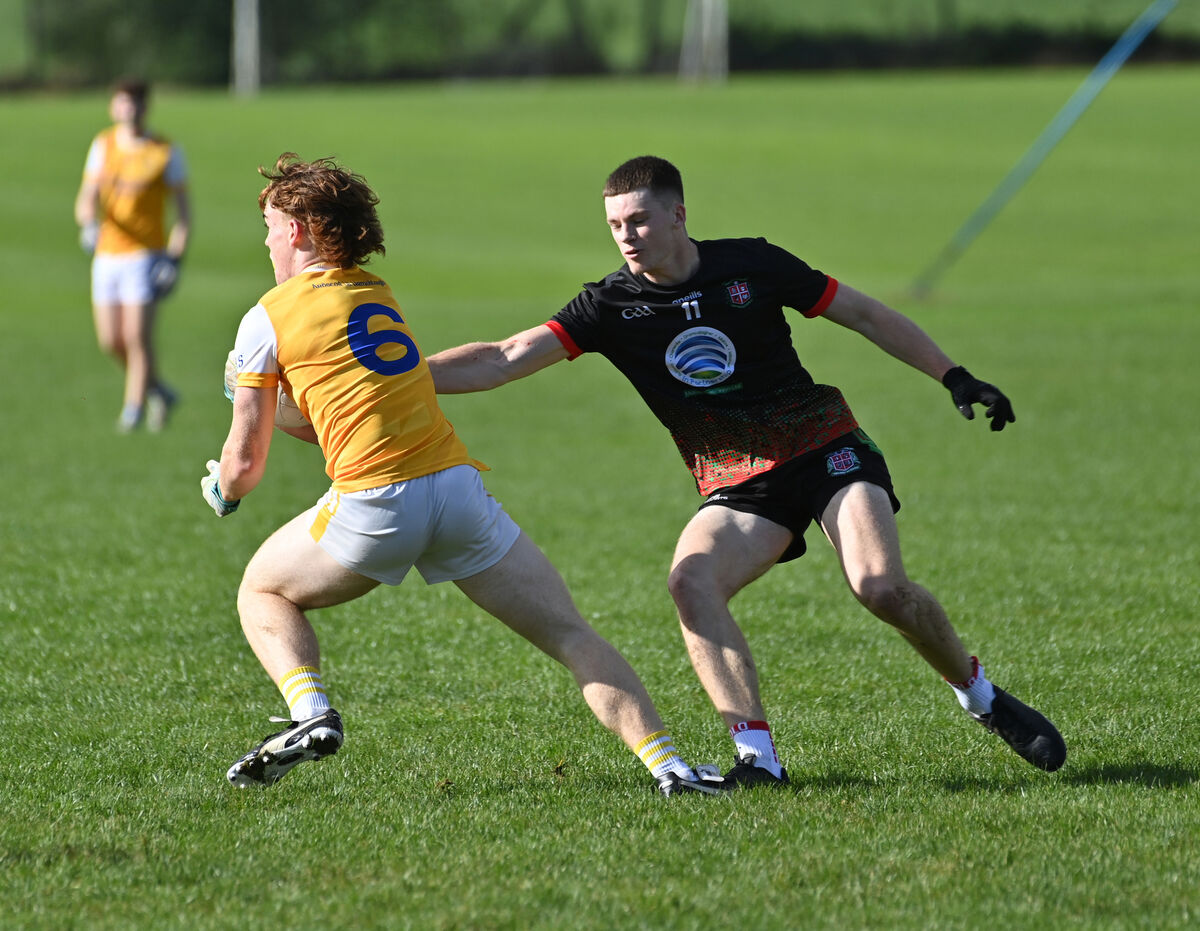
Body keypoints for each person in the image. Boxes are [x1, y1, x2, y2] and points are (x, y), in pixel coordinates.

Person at [426, 154, 1067, 787]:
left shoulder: (752, 264)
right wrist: (395, 374)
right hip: (739, 481)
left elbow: (865, 314)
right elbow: (503, 357)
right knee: (691, 582)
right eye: (615, 225)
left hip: (823, 445)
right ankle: (758, 760)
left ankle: (979, 696)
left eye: (639, 220)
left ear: (678, 215)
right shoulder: (610, 305)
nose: (626, 236)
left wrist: (953, 376)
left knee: (880, 588)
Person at [202, 153, 724, 797]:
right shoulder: (373, 293)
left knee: (261, 591)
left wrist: (222, 490)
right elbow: (332, 415)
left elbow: (243, 466)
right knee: (570, 633)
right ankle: (670, 768)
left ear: (298, 230)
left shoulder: (267, 316)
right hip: (456, 493)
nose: (266, 243)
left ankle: (311, 714)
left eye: (270, 228)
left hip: (374, 504)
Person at [75, 78, 190, 433]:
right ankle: (157, 390)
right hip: (107, 254)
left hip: (145, 256)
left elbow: (183, 216)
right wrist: (88, 225)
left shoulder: (164, 151)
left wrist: (174, 260)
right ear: (114, 106)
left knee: (136, 337)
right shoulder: (103, 145)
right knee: (110, 340)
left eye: (136, 102)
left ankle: (133, 410)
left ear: (145, 107)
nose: (130, 109)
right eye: (123, 102)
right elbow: (86, 198)